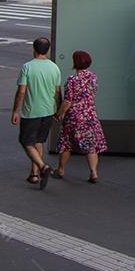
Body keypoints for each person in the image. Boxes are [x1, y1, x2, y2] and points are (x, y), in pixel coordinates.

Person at [11, 37, 62, 189]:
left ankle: (42, 167)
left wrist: (15, 110)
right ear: (48, 50)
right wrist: (58, 111)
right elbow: (57, 92)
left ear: (33, 49)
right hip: (48, 110)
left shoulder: (27, 67)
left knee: (26, 141)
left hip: (31, 111)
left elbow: (21, 91)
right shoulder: (54, 67)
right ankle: (34, 174)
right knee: (39, 141)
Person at [51, 50, 108, 182]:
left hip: (74, 117)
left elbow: (68, 101)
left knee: (66, 143)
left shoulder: (72, 80)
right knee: (91, 144)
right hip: (90, 115)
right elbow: (93, 91)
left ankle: (60, 169)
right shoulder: (93, 77)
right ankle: (93, 173)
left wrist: (58, 114)